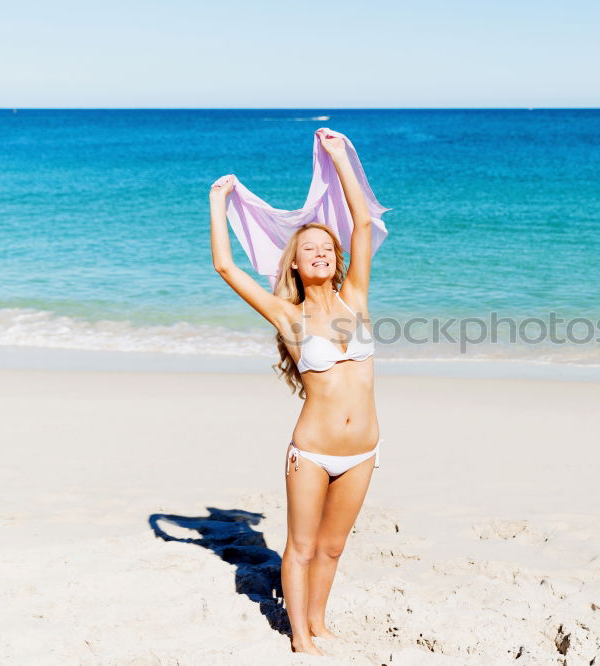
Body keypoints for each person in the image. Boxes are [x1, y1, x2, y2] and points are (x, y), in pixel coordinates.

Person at [208, 131, 382, 656]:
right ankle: (300, 637)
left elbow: (364, 221)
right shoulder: (288, 316)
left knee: (332, 548)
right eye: (310, 249)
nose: (322, 253)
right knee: (302, 547)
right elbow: (226, 267)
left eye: (328, 248)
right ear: (295, 264)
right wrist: (218, 202)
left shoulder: (356, 296)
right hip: (311, 452)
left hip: (363, 452)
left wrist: (338, 158)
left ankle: (320, 623)